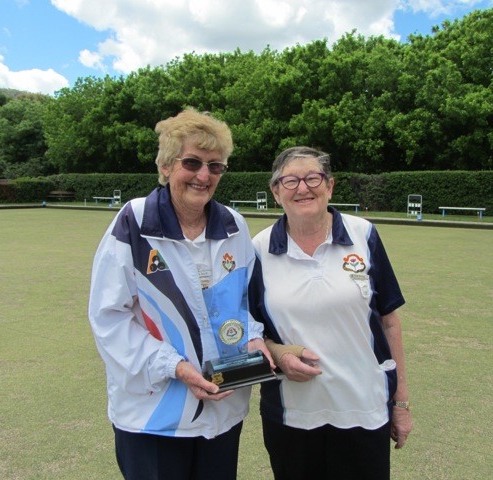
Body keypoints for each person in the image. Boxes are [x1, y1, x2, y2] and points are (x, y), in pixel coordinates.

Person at [88, 108, 272, 480]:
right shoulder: (134, 221)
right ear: (167, 165)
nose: (204, 175)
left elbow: (243, 304)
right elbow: (109, 318)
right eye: (192, 162)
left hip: (223, 412)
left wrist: (253, 338)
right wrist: (175, 367)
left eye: (215, 166)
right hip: (154, 418)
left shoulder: (234, 224)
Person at [249, 146, 413, 480]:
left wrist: (401, 404)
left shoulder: (364, 235)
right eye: (290, 181)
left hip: (364, 410)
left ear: (330, 186)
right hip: (292, 416)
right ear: (275, 191)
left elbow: (389, 322)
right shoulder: (258, 249)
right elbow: (248, 332)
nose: (303, 188)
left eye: (313, 178)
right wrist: (278, 355)